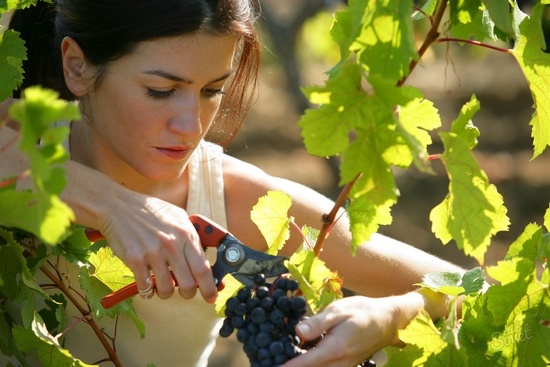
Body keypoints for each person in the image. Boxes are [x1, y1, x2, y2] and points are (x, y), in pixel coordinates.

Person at [0, 1, 464, 366]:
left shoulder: (240, 201)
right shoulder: (19, 139)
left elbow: (472, 285)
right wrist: (111, 205)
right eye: (160, 91)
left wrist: (392, 315)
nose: (190, 124)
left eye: (211, 91)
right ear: (77, 67)